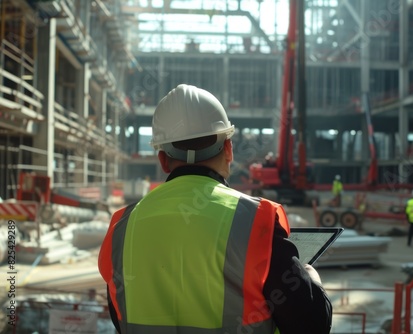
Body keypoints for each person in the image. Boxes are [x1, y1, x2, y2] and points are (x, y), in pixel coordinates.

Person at [98, 84, 332, 333]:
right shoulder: (256, 220)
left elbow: (119, 315)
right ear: (229, 149)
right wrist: (310, 277)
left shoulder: (121, 226)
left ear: (164, 160)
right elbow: (312, 324)